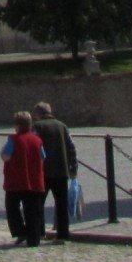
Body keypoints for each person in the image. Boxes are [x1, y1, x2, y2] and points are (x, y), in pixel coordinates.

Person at [33, 101, 79, 241]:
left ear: (38, 114)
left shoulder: (37, 127)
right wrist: (73, 167)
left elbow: (34, 147)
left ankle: (39, 232)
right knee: (61, 204)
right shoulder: (62, 126)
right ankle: (63, 235)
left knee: (38, 203)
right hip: (61, 170)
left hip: (43, 171)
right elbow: (72, 147)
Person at [2, 110, 48, 247]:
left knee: (12, 208)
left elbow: (5, 156)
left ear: (18, 125)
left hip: (16, 181)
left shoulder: (13, 139)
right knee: (33, 210)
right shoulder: (38, 140)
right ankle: (34, 239)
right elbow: (43, 157)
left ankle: (20, 232)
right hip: (35, 181)